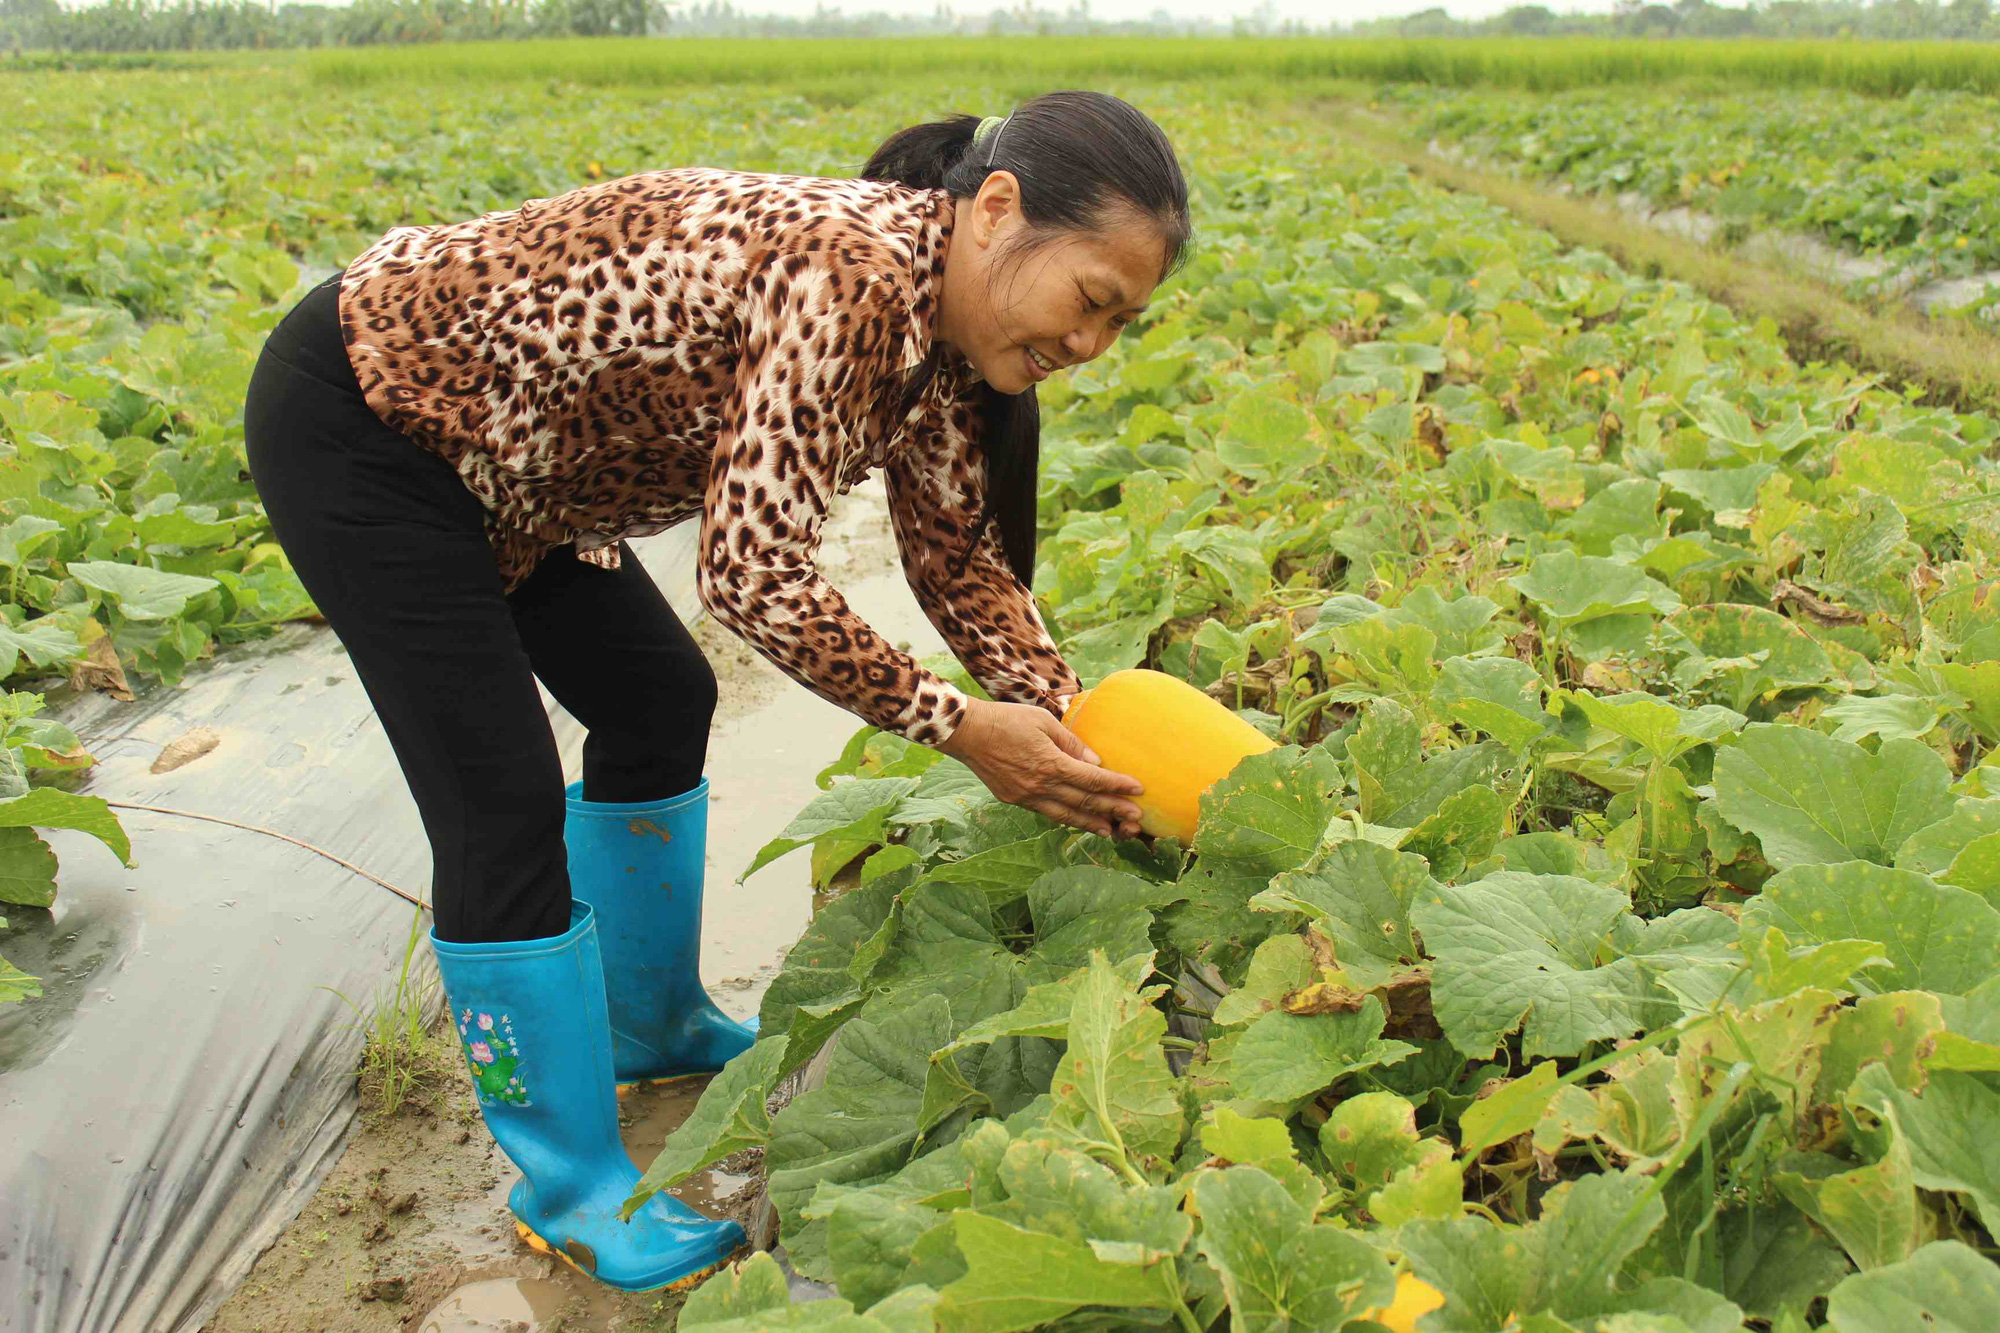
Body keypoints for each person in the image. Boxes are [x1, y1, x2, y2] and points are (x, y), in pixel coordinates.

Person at [241, 89, 1191, 1292]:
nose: (1090, 346)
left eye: (1121, 325)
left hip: (526, 479)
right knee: (498, 794)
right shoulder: (849, 276)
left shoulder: (952, 350)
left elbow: (957, 559)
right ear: (997, 211)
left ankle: (648, 1025)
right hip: (380, 421)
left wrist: (1077, 721)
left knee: (656, 700)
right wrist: (959, 728)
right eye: (1090, 302)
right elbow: (747, 571)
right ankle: (572, 1182)